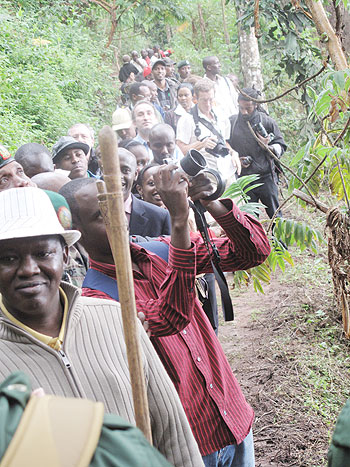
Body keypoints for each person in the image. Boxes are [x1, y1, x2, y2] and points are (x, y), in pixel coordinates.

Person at [61, 167, 270, 466]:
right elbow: (171, 316)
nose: (117, 220)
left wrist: (209, 199)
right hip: (187, 447)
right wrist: (180, 222)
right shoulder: (96, 301)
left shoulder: (159, 250)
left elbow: (252, 252)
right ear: (76, 235)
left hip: (234, 419)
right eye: (100, 216)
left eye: (117, 208)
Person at [0, 186, 203, 467]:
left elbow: (173, 432)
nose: (28, 268)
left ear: (66, 255)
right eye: (8, 258)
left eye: (43, 253)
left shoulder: (118, 320)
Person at [228, 88, 287, 218]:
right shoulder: (232, 122)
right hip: (244, 179)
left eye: (248, 108)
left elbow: (281, 145)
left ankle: (280, 238)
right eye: (241, 108)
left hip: (266, 177)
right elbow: (226, 146)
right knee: (249, 218)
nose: (244, 112)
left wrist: (268, 147)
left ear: (256, 105)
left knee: (275, 215)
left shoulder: (267, 122)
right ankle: (254, 239)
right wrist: (236, 158)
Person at [176, 78, 241, 176]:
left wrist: (233, 153)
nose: (208, 104)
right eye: (204, 100)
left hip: (227, 171)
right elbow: (180, 150)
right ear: (195, 98)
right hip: (205, 175)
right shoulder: (186, 119)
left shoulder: (221, 114)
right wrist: (201, 144)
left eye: (210, 99)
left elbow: (225, 141)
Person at [117, 148, 171, 236]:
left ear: (135, 175)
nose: (118, 176)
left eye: (125, 170)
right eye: (112, 170)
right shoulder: (91, 211)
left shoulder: (159, 217)